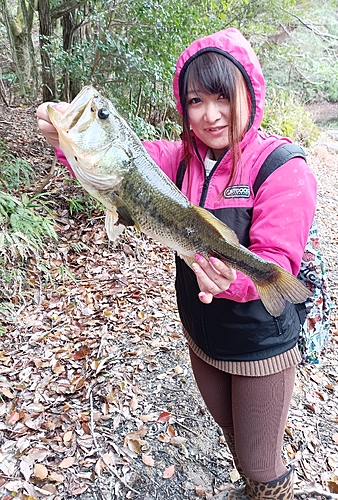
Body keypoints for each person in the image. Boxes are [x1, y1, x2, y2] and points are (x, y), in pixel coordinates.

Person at [37, 28, 317, 499]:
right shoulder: (178, 159)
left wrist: (236, 282)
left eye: (222, 97)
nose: (210, 115)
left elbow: (276, 260)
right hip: (201, 332)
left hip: (260, 343)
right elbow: (117, 166)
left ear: (249, 92)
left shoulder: (282, 165)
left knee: (262, 461)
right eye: (195, 101)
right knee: (231, 433)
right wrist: (66, 136)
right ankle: (249, 485)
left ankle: (265, 489)